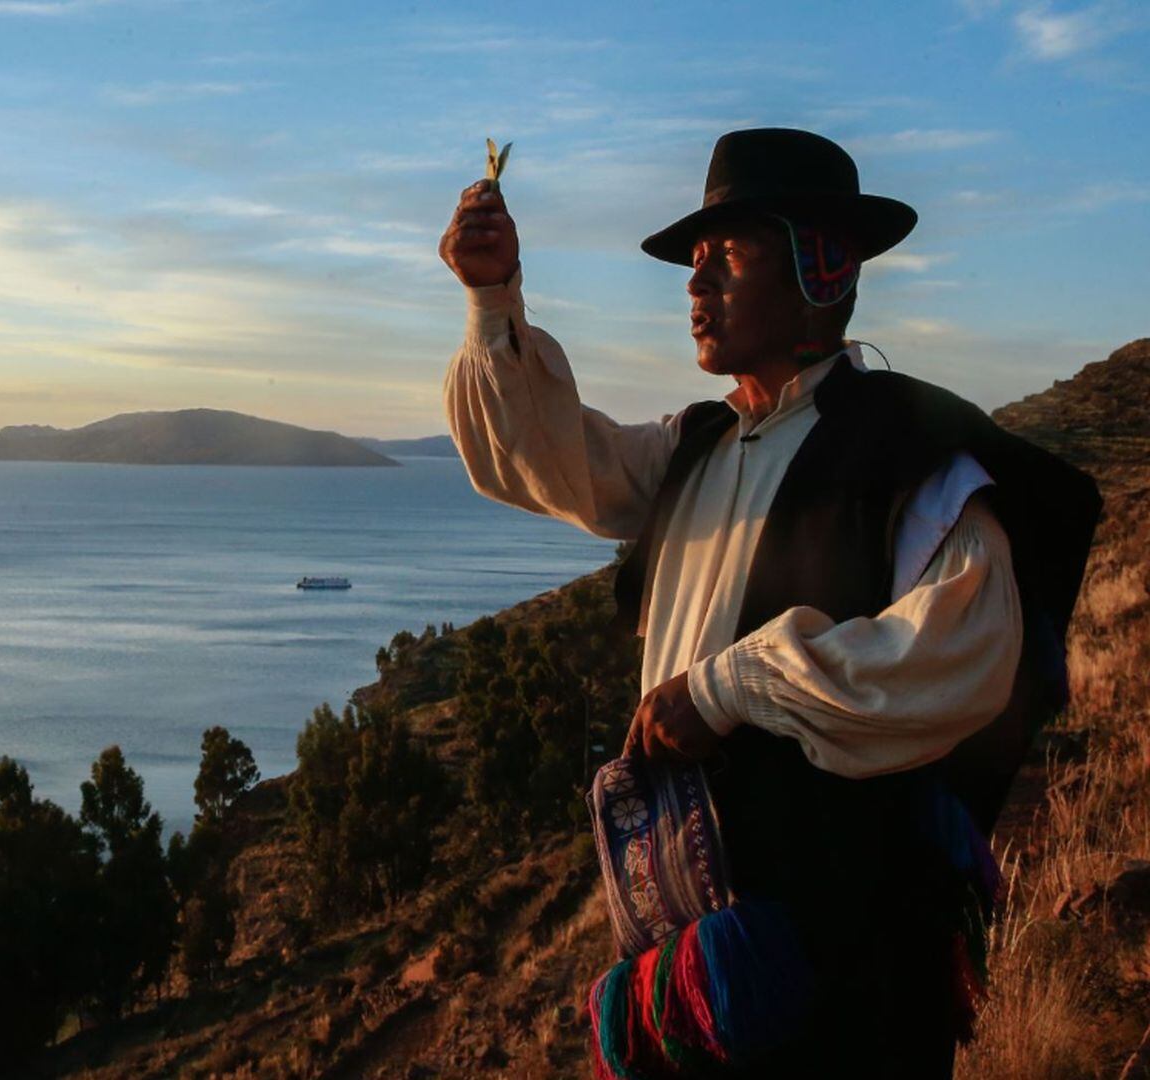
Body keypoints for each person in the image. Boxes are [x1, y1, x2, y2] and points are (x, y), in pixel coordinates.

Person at [437, 128, 1100, 1077]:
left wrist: (729, 687)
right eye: (693, 263)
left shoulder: (912, 459)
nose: (696, 285)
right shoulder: (695, 447)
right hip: (700, 981)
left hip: (848, 990)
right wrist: (491, 299)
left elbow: (958, 660)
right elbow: (541, 462)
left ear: (821, 270)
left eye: (729, 256)